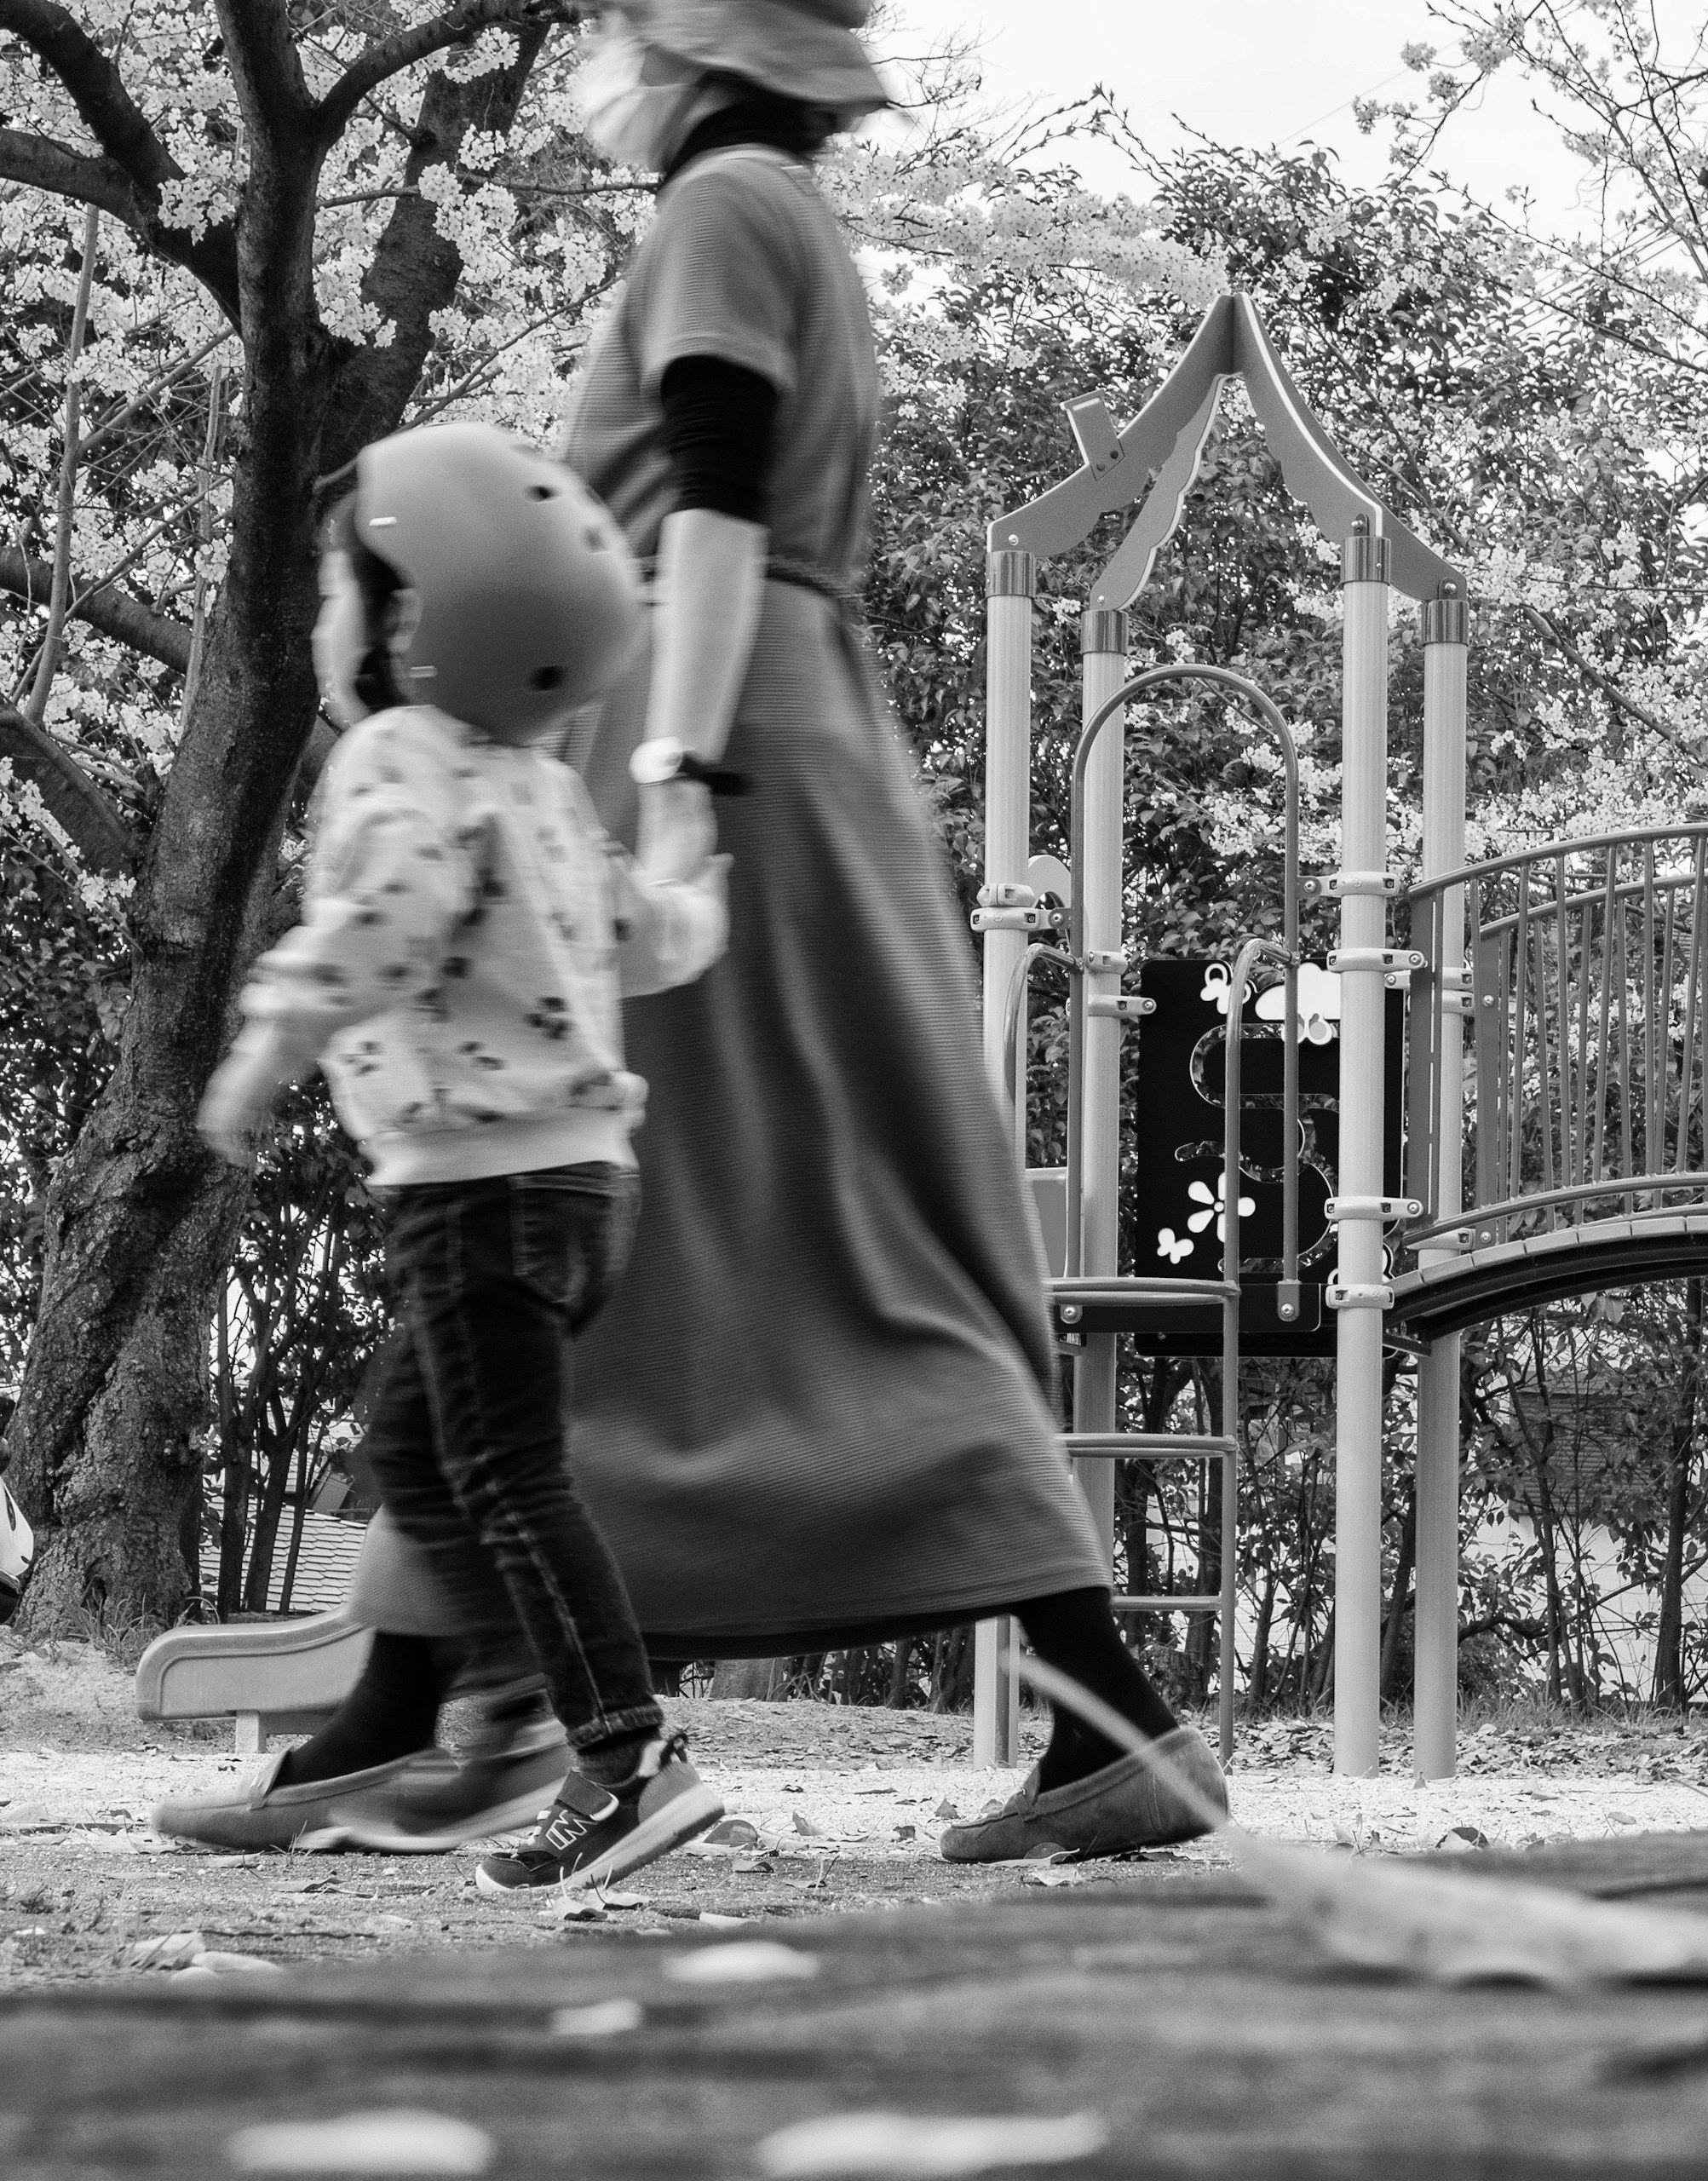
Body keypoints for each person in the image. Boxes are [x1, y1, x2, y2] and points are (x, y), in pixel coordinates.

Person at [556, 0, 1224, 1860]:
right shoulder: (786, 213)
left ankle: (446, 1708)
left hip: (719, 721)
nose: (599, 62)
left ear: (689, 55)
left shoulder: (718, 210)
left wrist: (673, 769)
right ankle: (1110, 1715)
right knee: (816, 1217)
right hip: (794, 720)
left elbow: (708, 495)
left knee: (645, 1216)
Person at [185, 421, 734, 1896]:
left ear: (415, 628)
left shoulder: (400, 757)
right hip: (578, 1186)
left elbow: (388, 915)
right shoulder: (541, 784)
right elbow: (651, 931)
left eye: (335, 595)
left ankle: (623, 1758)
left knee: (501, 1473)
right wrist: (693, 880)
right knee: (421, 1450)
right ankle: (451, 1719)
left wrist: (270, 1037)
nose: (319, 622)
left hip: (475, 1187)